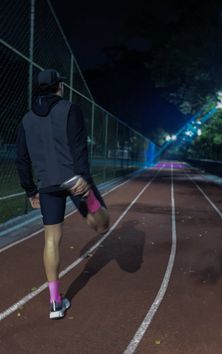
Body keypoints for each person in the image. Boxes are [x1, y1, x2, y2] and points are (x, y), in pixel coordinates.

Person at [16, 69, 109, 319]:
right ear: (60, 87)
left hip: (46, 184)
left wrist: (30, 190)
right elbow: (79, 147)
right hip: (73, 178)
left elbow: (22, 159)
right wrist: (83, 180)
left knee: (51, 240)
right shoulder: (70, 109)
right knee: (102, 226)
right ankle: (89, 200)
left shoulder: (26, 120)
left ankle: (55, 303)